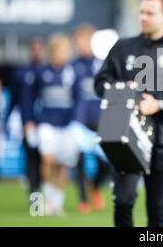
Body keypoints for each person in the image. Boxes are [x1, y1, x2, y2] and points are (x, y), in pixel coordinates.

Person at [94, 0, 163, 227]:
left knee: (158, 211)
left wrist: (158, 105)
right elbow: (100, 84)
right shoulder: (123, 47)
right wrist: (120, 89)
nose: (143, 17)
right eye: (141, 12)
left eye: (150, 12)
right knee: (123, 201)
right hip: (126, 138)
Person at [25, 34, 80, 216]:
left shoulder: (73, 73)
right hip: (46, 122)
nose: (64, 54)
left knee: (63, 164)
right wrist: (29, 121)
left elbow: (79, 100)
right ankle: (46, 199)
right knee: (47, 159)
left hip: (66, 125)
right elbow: (30, 99)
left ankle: (57, 203)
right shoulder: (41, 72)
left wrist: (76, 122)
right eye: (61, 50)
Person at [71, 24, 110, 213]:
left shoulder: (102, 65)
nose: (81, 45)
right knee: (78, 160)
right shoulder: (72, 67)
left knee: (107, 162)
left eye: (84, 40)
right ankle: (83, 200)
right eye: (78, 41)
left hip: (101, 119)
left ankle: (95, 186)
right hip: (79, 121)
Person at [6, 38, 45, 199]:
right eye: (33, 48)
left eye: (39, 48)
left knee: (46, 160)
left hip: (47, 123)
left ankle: (47, 195)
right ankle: (34, 197)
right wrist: (9, 119)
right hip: (27, 123)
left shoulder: (49, 71)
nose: (36, 51)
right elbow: (14, 99)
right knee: (31, 160)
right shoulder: (22, 73)